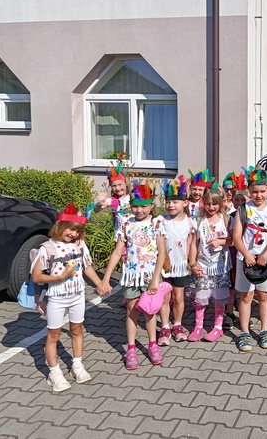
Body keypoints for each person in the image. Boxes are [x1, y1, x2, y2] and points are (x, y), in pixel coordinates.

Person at [32, 202, 103, 392]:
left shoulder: (79, 245)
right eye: (70, 229)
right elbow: (37, 276)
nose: (73, 234)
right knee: (54, 334)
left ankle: (77, 364)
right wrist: (59, 277)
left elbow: (87, 267)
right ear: (60, 225)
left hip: (77, 295)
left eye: (77, 230)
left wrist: (99, 283)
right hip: (56, 297)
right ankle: (54, 372)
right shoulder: (47, 248)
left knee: (77, 329)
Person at [100, 180, 168, 370]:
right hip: (131, 275)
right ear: (130, 205)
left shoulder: (156, 224)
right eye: (135, 206)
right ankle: (131, 348)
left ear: (152, 205)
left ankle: (152, 344)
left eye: (144, 206)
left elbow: (162, 253)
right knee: (132, 310)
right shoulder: (126, 224)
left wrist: (155, 280)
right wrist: (106, 278)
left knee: (150, 310)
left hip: (150, 275)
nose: (139, 210)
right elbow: (117, 252)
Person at [232, 167, 267, 351]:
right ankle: (245, 332)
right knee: (246, 296)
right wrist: (246, 254)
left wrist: (265, 255)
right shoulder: (243, 210)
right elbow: (237, 236)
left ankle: (264, 330)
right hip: (245, 259)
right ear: (249, 191)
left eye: (262, 191)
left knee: (264, 296)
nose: (259, 195)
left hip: (265, 260)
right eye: (254, 192)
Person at [188, 189, 232, 342]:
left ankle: (218, 327)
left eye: (215, 204)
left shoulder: (226, 219)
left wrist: (220, 241)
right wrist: (192, 263)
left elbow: (234, 241)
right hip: (202, 264)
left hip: (220, 265)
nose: (211, 207)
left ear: (221, 203)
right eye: (208, 204)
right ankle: (198, 326)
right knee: (201, 296)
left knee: (219, 297)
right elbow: (194, 243)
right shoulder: (198, 220)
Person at [158, 176, 197, 345]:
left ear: (185, 203)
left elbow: (192, 244)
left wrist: (192, 262)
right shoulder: (161, 220)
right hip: (164, 266)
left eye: (175, 202)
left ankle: (178, 325)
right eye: (168, 202)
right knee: (164, 297)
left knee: (179, 297)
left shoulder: (190, 222)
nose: (171, 205)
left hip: (181, 266)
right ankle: (165, 327)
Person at [224, 173, 250, 329]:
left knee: (246, 287)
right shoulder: (229, 216)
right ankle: (228, 312)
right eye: (237, 200)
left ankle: (244, 314)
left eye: (243, 200)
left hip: (249, 253)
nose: (240, 203)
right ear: (232, 201)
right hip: (233, 254)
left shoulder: (251, 214)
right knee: (232, 285)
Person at [93, 162, 132, 232]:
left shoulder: (132, 197)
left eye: (120, 184)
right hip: (119, 234)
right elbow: (96, 210)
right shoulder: (113, 200)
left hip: (134, 233)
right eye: (114, 186)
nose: (117, 188)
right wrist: (100, 203)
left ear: (126, 183)